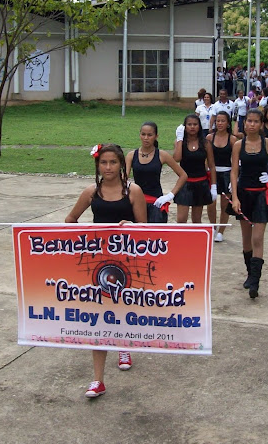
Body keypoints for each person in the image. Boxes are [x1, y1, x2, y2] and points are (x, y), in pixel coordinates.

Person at [64, 143, 147, 398]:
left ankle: (123, 344)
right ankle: (98, 380)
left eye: (113, 162)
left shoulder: (133, 191)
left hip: (128, 264)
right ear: (97, 165)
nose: (108, 167)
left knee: (122, 311)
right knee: (99, 321)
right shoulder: (91, 192)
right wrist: (83, 237)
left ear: (121, 164)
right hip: (97, 265)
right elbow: (70, 221)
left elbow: (146, 229)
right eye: (103, 163)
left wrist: (131, 225)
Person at [230, 109, 268, 298]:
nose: (252, 124)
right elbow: (234, 172)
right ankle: (250, 273)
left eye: (256, 121)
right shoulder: (238, 145)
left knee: (258, 238)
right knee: (246, 239)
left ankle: (256, 281)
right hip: (243, 194)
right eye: (249, 121)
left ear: (261, 124)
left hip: (261, 196)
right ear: (244, 123)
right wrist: (234, 197)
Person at [125, 122, 187, 223]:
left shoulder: (162, 155)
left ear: (156, 136)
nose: (146, 138)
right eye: (143, 134)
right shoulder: (131, 155)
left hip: (156, 202)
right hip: (137, 201)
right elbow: (124, 178)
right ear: (139, 135)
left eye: (149, 135)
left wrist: (170, 195)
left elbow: (183, 175)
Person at [173, 114, 217, 224]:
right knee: (181, 219)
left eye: (195, 124)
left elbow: (211, 166)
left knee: (197, 219)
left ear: (199, 126)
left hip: (200, 183)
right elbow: (177, 158)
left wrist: (214, 186)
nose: (192, 127)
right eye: (189, 124)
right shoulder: (180, 142)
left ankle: (195, 240)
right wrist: (179, 139)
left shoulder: (205, 143)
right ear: (185, 127)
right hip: (184, 183)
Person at [206, 111, 237, 242]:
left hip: (226, 173)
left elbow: (236, 161)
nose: (219, 123)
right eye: (217, 120)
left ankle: (221, 231)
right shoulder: (209, 138)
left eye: (222, 121)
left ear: (228, 123)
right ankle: (213, 227)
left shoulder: (232, 139)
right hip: (212, 173)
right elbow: (205, 157)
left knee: (225, 205)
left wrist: (234, 179)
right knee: (210, 203)